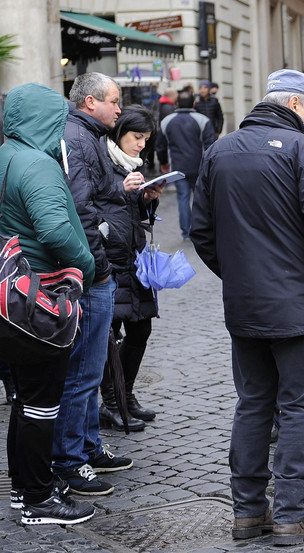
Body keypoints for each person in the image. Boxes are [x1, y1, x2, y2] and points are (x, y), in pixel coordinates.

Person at [191, 69, 304, 546]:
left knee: (253, 404)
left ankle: (248, 513)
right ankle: (289, 514)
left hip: (247, 305)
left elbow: (202, 232)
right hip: (302, 307)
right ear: (295, 104)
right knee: (302, 406)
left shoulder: (220, 151)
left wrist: (241, 277)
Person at [0, 82, 97, 525]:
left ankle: (25, 488)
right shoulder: (37, 164)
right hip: (38, 298)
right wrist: (86, 267)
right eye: (58, 120)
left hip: (11, 297)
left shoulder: (6, 154)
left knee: (24, 400)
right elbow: (57, 232)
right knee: (41, 402)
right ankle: (39, 500)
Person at [53, 72, 134, 496]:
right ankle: (70, 460)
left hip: (97, 268)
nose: (119, 109)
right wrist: (98, 266)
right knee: (83, 372)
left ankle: (87, 447)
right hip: (92, 273)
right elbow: (81, 210)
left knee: (90, 368)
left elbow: (96, 198)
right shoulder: (79, 138)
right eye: (114, 101)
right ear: (89, 102)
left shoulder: (85, 136)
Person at [97, 105, 164, 432]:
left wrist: (146, 199)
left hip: (133, 260)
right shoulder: (101, 161)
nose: (140, 145)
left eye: (146, 140)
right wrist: (122, 191)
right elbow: (93, 206)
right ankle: (111, 403)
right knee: (111, 336)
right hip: (110, 261)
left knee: (141, 329)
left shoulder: (131, 165)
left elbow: (130, 213)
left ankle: (127, 395)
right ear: (119, 131)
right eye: (137, 137)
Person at [156, 90, 216, 240]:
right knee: (201, 200)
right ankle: (202, 229)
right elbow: (210, 145)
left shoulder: (166, 121)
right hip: (200, 167)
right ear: (194, 103)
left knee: (182, 198)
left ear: (177, 103)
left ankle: (186, 232)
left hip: (178, 167)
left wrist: (164, 163)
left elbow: (161, 146)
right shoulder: (202, 120)